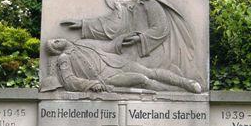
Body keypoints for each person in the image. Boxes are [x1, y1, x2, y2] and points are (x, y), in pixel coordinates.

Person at [60, 0, 200, 82]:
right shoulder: (127, 9)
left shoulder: (148, 3)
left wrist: (139, 38)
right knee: (86, 46)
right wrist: (83, 24)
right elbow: (110, 25)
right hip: (131, 48)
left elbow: (161, 28)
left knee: (119, 65)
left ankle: (175, 82)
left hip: (151, 50)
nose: (116, 3)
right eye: (115, 0)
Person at [40, 38, 202, 94]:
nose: (56, 40)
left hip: (116, 62)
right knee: (143, 79)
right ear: (56, 49)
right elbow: (69, 81)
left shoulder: (81, 43)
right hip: (107, 78)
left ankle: (186, 83)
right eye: (54, 43)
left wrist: (121, 40)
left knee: (150, 71)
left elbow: (106, 46)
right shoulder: (64, 58)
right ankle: (177, 91)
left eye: (55, 39)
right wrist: (91, 84)